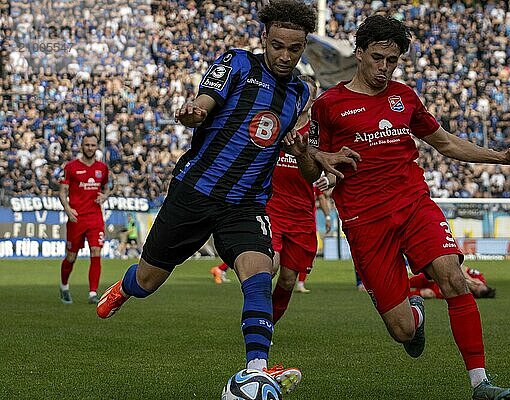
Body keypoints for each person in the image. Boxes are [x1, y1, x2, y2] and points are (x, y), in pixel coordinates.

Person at [96, 1, 356, 394]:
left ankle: (257, 368)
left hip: (246, 203)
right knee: (149, 280)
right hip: (195, 192)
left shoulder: (300, 93)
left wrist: (312, 154)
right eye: (277, 46)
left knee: (258, 272)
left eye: (294, 49)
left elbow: (291, 151)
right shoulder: (237, 64)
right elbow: (206, 100)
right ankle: (124, 287)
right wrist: (194, 112)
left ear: (303, 47)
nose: (285, 56)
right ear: (264, 39)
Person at [288, 15, 510, 400]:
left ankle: (481, 383)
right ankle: (414, 313)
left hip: (413, 204)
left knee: (452, 275)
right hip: (364, 219)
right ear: (360, 53)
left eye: (393, 60)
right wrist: (311, 154)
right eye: (377, 58)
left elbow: (446, 143)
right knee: (402, 330)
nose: (384, 68)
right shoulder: (329, 105)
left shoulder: (405, 98)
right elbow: (311, 168)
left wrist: (499, 157)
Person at [269, 75, 331, 321]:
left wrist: (329, 178)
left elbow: (330, 165)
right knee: (268, 267)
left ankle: (268, 322)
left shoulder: (317, 133)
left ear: (313, 98)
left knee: (287, 278)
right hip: (270, 207)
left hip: (302, 213)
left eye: (308, 93)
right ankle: (257, 323)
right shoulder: (277, 124)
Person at [58, 133, 110, 304]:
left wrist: (104, 196)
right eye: (87, 145)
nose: (90, 148)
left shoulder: (102, 168)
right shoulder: (71, 167)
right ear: (81, 146)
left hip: (95, 218)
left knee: (96, 252)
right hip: (76, 218)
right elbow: (62, 192)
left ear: (97, 147)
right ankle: (64, 286)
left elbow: (107, 187)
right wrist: (67, 209)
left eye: (93, 145)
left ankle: (92, 293)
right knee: (71, 256)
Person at [410, 266, 496, 300]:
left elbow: (443, 293)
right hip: (436, 278)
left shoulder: (467, 294)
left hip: (440, 287)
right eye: (479, 284)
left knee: (427, 294)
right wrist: (469, 278)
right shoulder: (478, 276)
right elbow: (460, 266)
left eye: (476, 289)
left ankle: (406, 295)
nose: (475, 285)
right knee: (411, 282)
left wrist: (466, 282)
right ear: (483, 283)